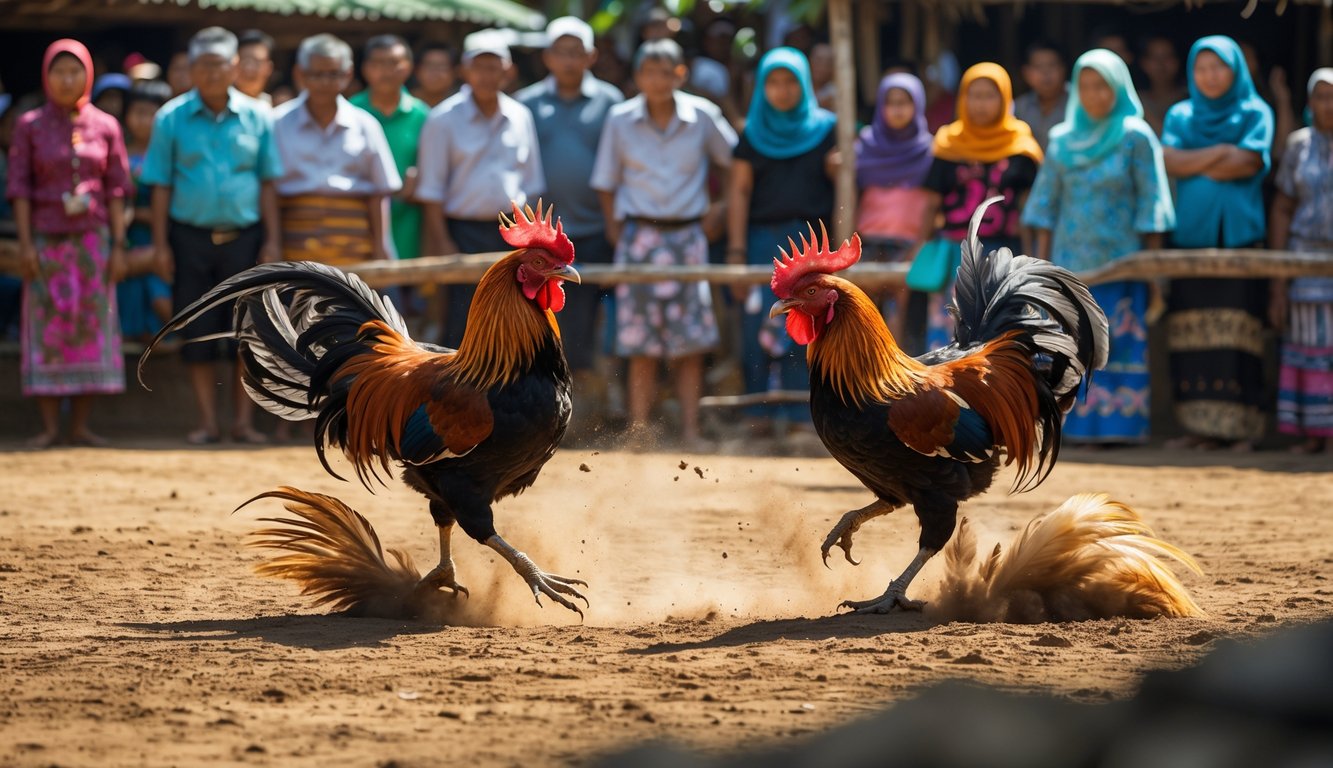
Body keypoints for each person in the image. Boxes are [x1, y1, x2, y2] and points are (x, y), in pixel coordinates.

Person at [1023, 50, 1176, 446]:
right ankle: (1072, 431)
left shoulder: (1135, 135)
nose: (1094, 94)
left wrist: (1151, 265)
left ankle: (1119, 430)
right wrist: (1041, 271)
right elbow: (1043, 209)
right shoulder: (1061, 140)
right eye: (1087, 86)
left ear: (1119, 87)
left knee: (1119, 344)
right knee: (1071, 349)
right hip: (1070, 270)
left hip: (1122, 265)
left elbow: (1152, 205)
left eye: (1103, 86)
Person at [140, 27, 284, 445]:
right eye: (203, 65)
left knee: (249, 334)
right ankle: (208, 422)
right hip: (189, 240)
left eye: (220, 64)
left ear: (235, 66)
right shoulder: (171, 117)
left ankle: (242, 423)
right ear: (191, 69)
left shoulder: (258, 116)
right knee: (197, 334)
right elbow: (160, 185)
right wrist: (162, 244)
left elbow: (267, 182)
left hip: (246, 238)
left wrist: (272, 241)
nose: (212, 73)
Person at [592, 39, 735, 447]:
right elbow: (605, 181)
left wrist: (721, 208)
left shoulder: (703, 117)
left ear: (680, 74)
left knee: (691, 344)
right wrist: (614, 228)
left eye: (664, 71)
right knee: (640, 344)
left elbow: (734, 164)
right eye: (648, 71)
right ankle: (640, 432)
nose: (656, 80)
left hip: (689, 236)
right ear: (637, 77)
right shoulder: (620, 119)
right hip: (638, 236)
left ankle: (690, 431)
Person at [7, 39, 131, 448]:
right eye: (58, 71)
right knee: (47, 331)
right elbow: (20, 190)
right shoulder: (29, 126)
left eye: (74, 70)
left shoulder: (106, 126)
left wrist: (117, 246)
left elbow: (116, 190)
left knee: (92, 328)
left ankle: (79, 427)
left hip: (93, 244)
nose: (66, 79)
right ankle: (47, 428)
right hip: (46, 244)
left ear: (87, 75)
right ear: (46, 76)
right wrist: (26, 245)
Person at [1161, 35, 1274, 451]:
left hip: (1240, 241)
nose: (1210, 76)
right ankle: (1197, 427)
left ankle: (1243, 428)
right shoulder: (1181, 113)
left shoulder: (1255, 110)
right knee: (1190, 333)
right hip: (1190, 239)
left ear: (1236, 69)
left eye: (1219, 66)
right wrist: (1223, 151)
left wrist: (1198, 161)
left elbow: (1249, 162)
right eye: (1202, 68)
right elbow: (1170, 161)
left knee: (1239, 332)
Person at [516, 16, 624, 419]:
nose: (568, 59)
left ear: (591, 56)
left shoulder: (611, 102)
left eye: (576, 51)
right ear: (546, 56)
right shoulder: (526, 104)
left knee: (592, 324)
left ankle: (595, 411)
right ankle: (549, 412)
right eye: (560, 50)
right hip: (544, 240)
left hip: (598, 230)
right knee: (543, 322)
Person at [725, 46, 835, 438]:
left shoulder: (827, 130)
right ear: (762, 87)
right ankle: (759, 415)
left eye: (790, 81)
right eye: (773, 81)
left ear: (804, 83)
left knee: (804, 325)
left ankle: (801, 419)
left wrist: (839, 170)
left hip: (809, 244)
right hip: (761, 243)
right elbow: (738, 192)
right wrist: (737, 251)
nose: (782, 89)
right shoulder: (751, 136)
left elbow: (845, 186)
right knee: (757, 325)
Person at [417, 29, 544, 348]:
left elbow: (531, 183)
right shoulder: (443, 118)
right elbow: (431, 190)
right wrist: (443, 241)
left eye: (494, 67)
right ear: (465, 70)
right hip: (461, 233)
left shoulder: (520, 116)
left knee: (512, 319)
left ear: (508, 71)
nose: (487, 75)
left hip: (511, 234)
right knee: (462, 321)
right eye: (479, 67)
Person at [921, 62, 1043, 350]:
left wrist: (1032, 256)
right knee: (951, 331)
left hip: (1004, 252)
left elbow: (1030, 207)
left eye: (990, 96)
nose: (980, 104)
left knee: (1000, 335)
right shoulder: (948, 143)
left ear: (1005, 99)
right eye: (973, 95)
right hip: (955, 255)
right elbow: (931, 203)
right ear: (962, 99)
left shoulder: (1021, 145)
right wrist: (922, 243)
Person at [272, 34, 400, 267]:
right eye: (316, 74)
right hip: (294, 247)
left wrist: (381, 246)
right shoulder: (278, 123)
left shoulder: (366, 124)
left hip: (356, 249)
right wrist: (272, 242)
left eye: (333, 74)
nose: (324, 82)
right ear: (300, 74)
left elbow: (379, 192)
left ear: (348, 74)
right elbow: (268, 188)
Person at [1269, 69, 1333, 454]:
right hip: (1305, 256)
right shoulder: (1299, 146)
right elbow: (1282, 208)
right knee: (1309, 344)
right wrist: (1279, 279)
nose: (1330, 105)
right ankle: (1314, 434)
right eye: (1322, 97)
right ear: (1310, 104)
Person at [854, 72, 935, 350]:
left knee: (902, 325)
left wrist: (921, 244)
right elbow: (851, 194)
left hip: (911, 244)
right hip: (868, 243)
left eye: (905, 102)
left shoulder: (930, 150)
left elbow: (933, 204)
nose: (898, 109)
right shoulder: (864, 145)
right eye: (890, 102)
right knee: (864, 323)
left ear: (918, 105)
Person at [117, 79, 174, 343]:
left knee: (163, 304)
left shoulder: (175, 155)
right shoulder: (117, 155)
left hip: (164, 240)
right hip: (126, 241)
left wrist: (140, 216)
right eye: (138, 112)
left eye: (151, 113)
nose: (144, 120)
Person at [1014, 40, 1069, 152]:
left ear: (1063, 69)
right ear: (1026, 73)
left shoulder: (1080, 103)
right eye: (1038, 66)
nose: (1046, 72)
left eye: (1052, 65)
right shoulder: (1018, 108)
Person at [1139, 36, 1186, 136]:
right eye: (1154, 58)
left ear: (1177, 61)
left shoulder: (1191, 99)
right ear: (1144, 63)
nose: (1160, 64)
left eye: (1167, 57)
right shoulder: (1135, 100)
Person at [235, 29, 276, 103]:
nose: (249, 68)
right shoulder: (217, 106)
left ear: (269, 68)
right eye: (244, 60)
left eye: (257, 62)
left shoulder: (276, 109)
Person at [412, 42, 456, 109]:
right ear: (417, 70)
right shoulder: (405, 103)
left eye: (442, 66)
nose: (435, 72)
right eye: (429, 66)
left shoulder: (464, 104)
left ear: (455, 72)